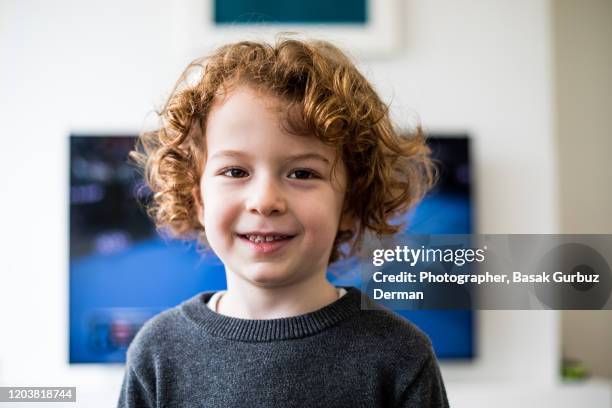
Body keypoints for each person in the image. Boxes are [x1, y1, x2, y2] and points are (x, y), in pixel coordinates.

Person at [118, 36, 448, 407]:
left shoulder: (400, 357)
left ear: (351, 203)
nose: (264, 201)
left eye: (303, 173)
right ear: (198, 199)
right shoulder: (157, 354)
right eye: (235, 170)